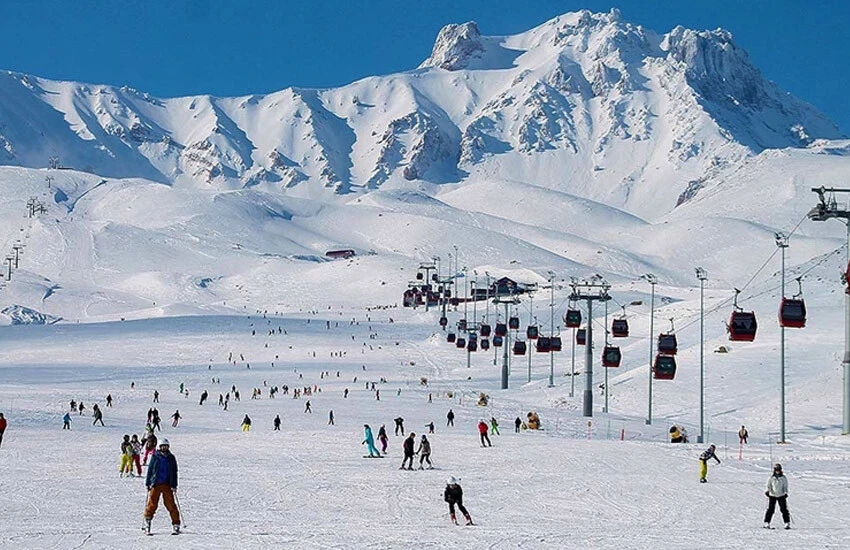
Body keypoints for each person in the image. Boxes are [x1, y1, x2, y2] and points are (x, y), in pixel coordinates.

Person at [143, 438, 181, 535]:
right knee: (152, 504)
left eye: (166, 446)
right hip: (156, 483)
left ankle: (176, 524)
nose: (164, 448)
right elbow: (150, 470)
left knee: (171, 504)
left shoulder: (171, 458)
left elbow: (174, 472)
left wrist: (174, 484)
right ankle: (147, 523)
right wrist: (148, 483)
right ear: (159, 447)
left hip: (167, 484)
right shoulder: (155, 457)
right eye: (162, 446)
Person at [764, 463, 791, 529]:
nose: (777, 471)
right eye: (776, 469)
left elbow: (785, 486)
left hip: (781, 495)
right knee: (771, 509)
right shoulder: (771, 478)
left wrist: (785, 493)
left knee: (784, 509)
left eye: (778, 469)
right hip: (772, 495)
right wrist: (767, 491)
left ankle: (787, 523)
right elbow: (768, 485)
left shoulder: (783, 478)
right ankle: (767, 522)